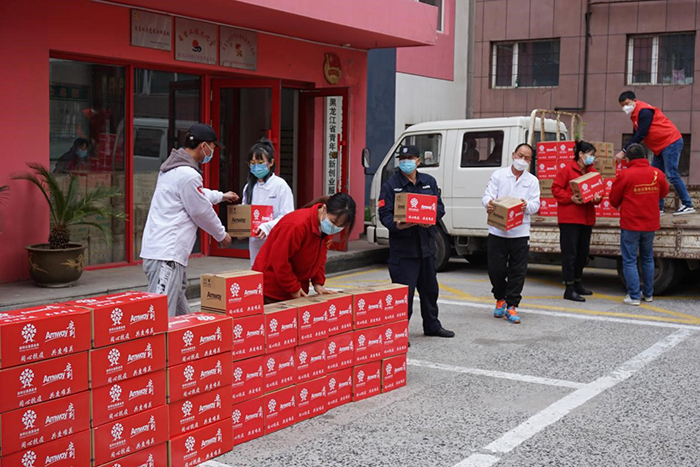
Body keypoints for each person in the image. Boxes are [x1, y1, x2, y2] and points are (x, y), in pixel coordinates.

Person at [141, 123, 238, 316]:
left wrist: (221, 196)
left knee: (180, 314)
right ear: (203, 146)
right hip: (167, 255)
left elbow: (195, 196)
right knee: (162, 315)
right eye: (212, 147)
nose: (212, 153)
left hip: (163, 252)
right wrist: (221, 234)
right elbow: (200, 211)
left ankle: (191, 336)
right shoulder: (188, 175)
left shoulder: (171, 169)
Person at [378, 145, 454, 338]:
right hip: (404, 250)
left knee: (430, 291)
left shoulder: (428, 182)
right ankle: (399, 332)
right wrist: (397, 224)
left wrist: (431, 219)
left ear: (418, 161)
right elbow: (384, 214)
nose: (406, 162)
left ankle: (432, 326)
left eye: (410, 158)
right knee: (403, 295)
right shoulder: (390, 185)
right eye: (403, 159)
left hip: (426, 247)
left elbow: (439, 207)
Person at [253, 192, 356, 302]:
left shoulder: (325, 228)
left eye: (341, 226)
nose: (335, 227)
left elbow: (320, 257)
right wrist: (293, 287)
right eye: (334, 222)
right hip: (270, 290)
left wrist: (318, 282)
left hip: (296, 291)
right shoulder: (296, 225)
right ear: (324, 209)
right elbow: (279, 260)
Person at [482, 143, 540, 324]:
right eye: (520, 156)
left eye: (527, 158)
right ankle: (500, 297)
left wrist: (526, 206)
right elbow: (487, 196)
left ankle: (512, 305)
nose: (522, 160)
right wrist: (488, 203)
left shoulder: (532, 181)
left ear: (530, 161)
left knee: (518, 271)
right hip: (497, 231)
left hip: (520, 232)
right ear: (513, 155)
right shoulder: (499, 175)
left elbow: (535, 205)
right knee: (496, 269)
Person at [615, 90, 694, 215]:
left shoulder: (644, 111)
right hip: (660, 147)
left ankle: (687, 204)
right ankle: (658, 207)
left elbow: (641, 134)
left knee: (672, 174)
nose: (625, 107)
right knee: (655, 176)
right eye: (622, 106)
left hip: (670, 142)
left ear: (634, 101)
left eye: (627, 104)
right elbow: (636, 135)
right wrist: (628, 151)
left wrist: (623, 151)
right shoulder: (635, 115)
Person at [609, 143, 669, 306]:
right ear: (645, 156)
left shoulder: (625, 175)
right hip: (650, 224)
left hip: (630, 224)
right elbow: (664, 192)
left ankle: (634, 296)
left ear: (628, 159)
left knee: (629, 260)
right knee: (648, 258)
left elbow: (613, 199)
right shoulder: (657, 173)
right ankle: (648, 294)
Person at [551, 140, 603, 302]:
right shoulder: (567, 170)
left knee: (582, 254)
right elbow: (555, 189)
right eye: (590, 154)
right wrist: (570, 198)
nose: (592, 158)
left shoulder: (592, 172)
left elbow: (599, 192)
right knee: (570, 254)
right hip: (570, 218)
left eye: (593, 155)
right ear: (580, 154)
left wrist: (597, 198)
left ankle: (578, 283)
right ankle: (569, 288)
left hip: (586, 219)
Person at [241, 138, 294, 266]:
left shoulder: (280, 186)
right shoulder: (249, 187)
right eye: (252, 163)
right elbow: (244, 212)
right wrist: (241, 228)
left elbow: (287, 216)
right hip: (255, 242)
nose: (256, 167)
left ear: (271, 163)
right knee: (257, 269)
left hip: (276, 240)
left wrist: (266, 227)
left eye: (260, 162)